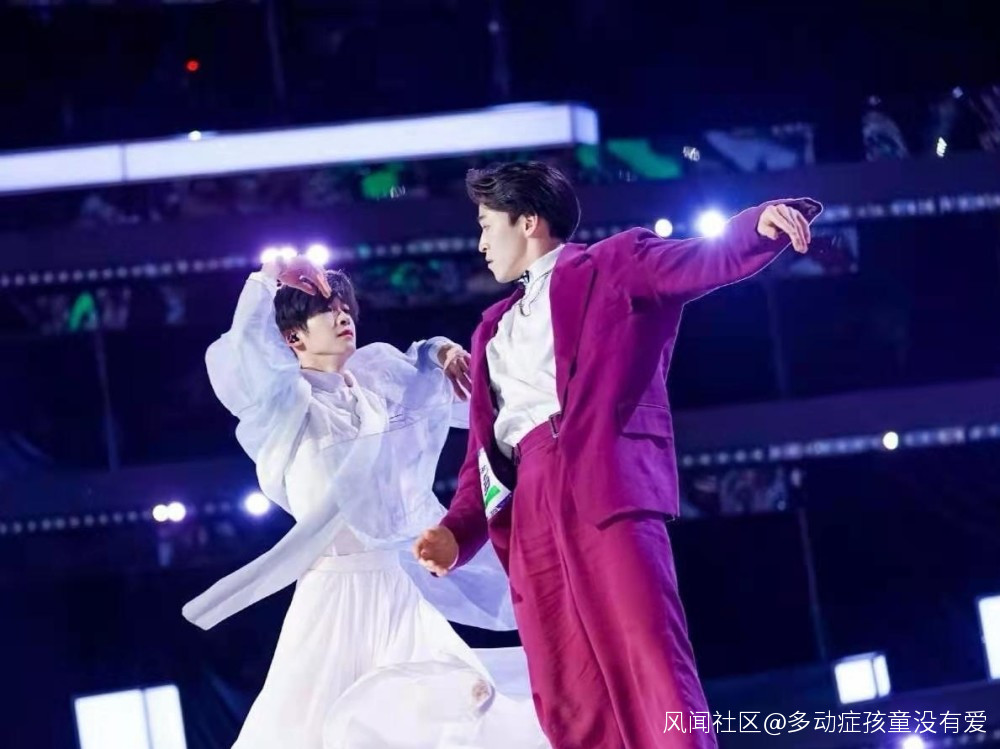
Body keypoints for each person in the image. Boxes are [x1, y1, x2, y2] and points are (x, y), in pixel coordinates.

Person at [414, 161, 822, 749]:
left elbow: (699, 261)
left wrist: (756, 226)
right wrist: (458, 530)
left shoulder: (613, 264)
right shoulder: (490, 334)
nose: (479, 243)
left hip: (602, 485)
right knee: (564, 680)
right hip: (529, 509)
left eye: (485, 224)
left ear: (527, 221)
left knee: (647, 654)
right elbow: (484, 455)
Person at [183, 255, 548, 748]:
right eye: (326, 311)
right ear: (292, 339)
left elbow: (420, 364)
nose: (342, 316)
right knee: (309, 728)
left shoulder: (374, 387)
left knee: (453, 706)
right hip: (332, 592)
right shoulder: (284, 403)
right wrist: (269, 275)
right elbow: (245, 350)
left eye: (344, 307)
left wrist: (442, 351)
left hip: (395, 586)